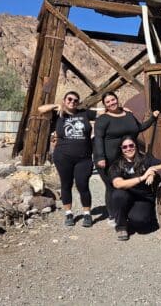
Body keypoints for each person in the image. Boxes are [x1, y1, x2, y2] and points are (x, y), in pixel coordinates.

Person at [93, 92, 159, 226]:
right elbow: (98, 138)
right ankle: (113, 215)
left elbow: (139, 128)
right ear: (105, 105)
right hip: (108, 159)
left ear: (117, 99)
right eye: (108, 102)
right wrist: (100, 157)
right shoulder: (103, 119)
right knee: (112, 187)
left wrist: (153, 117)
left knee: (131, 186)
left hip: (128, 158)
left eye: (113, 100)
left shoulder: (128, 115)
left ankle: (130, 211)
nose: (111, 103)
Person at [38, 91, 97, 227]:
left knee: (83, 185)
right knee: (66, 184)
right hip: (63, 157)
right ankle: (68, 213)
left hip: (84, 158)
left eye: (76, 100)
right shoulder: (57, 115)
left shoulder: (84, 113)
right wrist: (55, 106)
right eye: (69, 99)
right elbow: (40, 110)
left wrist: (121, 109)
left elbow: (103, 113)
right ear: (64, 101)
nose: (72, 102)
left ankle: (87, 214)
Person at [109, 136, 161, 241]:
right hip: (126, 195)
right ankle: (121, 226)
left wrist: (153, 169)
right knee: (118, 195)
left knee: (140, 222)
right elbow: (118, 184)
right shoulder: (117, 164)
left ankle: (134, 215)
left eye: (131, 145)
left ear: (136, 146)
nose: (128, 149)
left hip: (143, 198)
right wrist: (143, 177)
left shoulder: (145, 159)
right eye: (125, 147)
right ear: (121, 149)